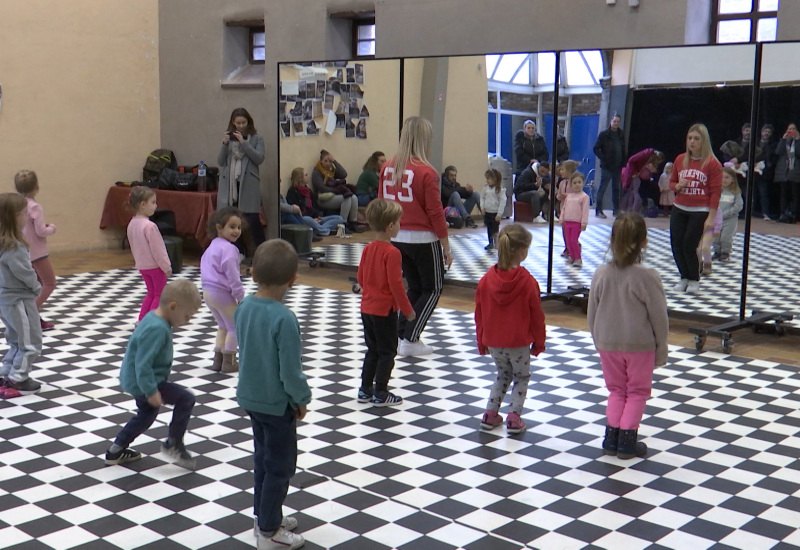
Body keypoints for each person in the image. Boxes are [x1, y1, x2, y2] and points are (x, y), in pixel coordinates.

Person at [236, 240, 311, 550]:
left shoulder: (243, 307)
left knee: (263, 461)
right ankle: (269, 530)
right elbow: (290, 371)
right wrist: (301, 398)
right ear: (293, 280)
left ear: (254, 275)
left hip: (250, 398)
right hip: (276, 403)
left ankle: (264, 515)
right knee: (281, 466)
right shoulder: (284, 318)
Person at [588, 212, 668, 460]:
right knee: (637, 392)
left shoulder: (601, 273)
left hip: (608, 343)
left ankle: (611, 438)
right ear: (644, 241)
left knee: (616, 390)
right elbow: (659, 318)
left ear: (611, 240)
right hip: (639, 345)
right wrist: (661, 348)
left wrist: (598, 340)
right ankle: (627, 441)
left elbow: (592, 312)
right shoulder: (647, 276)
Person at [104, 279, 202, 469]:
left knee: (146, 415)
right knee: (185, 399)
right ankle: (174, 443)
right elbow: (143, 364)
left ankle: (116, 450)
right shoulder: (157, 329)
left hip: (138, 379)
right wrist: (150, 391)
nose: (187, 321)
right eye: (187, 316)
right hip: (145, 381)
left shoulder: (153, 318)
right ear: (173, 307)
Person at [379, 116, 452, 357]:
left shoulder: (387, 166)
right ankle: (411, 337)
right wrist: (446, 247)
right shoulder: (426, 171)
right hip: (423, 239)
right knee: (433, 288)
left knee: (415, 287)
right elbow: (435, 212)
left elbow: (381, 203)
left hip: (397, 237)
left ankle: (402, 334)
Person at [475, 223, 545, 435]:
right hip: (518, 342)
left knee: (502, 374)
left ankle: (490, 413)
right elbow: (537, 316)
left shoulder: (486, 281)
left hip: (494, 341)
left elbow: (479, 314)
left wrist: (481, 340)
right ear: (523, 251)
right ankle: (514, 417)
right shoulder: (527, 282)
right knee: (521, 377)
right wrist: (539, 342)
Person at [356, 199, 415, 407]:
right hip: (384, 310)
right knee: (387, 351)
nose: (400, 225)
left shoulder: (368, 249)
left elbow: (361, 279)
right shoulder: (392, 253)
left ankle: (365, 389)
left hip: (367, 308)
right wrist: (407, 311)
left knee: (372, 349)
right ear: (390, 226)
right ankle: (381, 391)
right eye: (399, 222)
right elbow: (396, 285)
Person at [669, 123, 722, 294]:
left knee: (689, 244)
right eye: (690, 138)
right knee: (676, 244)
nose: (692, 142)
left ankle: (693, 279)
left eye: (696, 138)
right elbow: (671, 183)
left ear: (704, 141)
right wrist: (677, 186)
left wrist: (711, 217)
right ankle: (683, 276)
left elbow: (715, 192)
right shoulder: (680, 159)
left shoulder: (712, 164)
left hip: (700, 210)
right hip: (679, 207)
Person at [0, 193, 42, 396]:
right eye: (24, 213)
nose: (27, 217)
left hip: (5, 300)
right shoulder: (15, 246)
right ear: (14, 217)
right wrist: (36, 287)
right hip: (19, 300)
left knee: (16, 340)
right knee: (31, 341)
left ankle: (6, 373)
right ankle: (18, 379)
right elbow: (24, 273)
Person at [201, 206, 245, 374]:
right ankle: (229, 362)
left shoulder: (212, 246)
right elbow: (233, 276)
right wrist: (240, 297)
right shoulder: (230, 249)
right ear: (219, 228)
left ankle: (217, 359)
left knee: (223, 326)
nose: (236, 231)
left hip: (207, 291)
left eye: (239, 227)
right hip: (221, 293)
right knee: (234, 326)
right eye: (232, 227)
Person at [218, 107, 266, 255]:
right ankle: (236, 252)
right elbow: (221, 161)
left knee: (252, 221)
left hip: (248, 185)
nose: (240, 126)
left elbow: (259, 158)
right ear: (233, 122)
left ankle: (262, 252)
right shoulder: (229, 139)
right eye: (237, 123)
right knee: (233, 220)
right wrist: (224, 144)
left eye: (243, 123)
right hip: (231, 185)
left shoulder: (256, 138)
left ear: (248, 122)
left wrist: (244, 143)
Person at [14, 170, 56, 331]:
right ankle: (30, 312)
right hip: (38, 252)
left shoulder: (16, 204)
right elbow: (40, 231)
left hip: (23, 250)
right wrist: (51, 228)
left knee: (33, 286)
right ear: (36, 187)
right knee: (49, 282)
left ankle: (34, 317)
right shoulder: (35, 206)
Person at [127, 187, 172, 321]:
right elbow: (158, 250)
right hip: (155, 266)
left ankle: (142, 320)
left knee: (151, 294)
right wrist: (166, 267)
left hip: (142, 266)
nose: (156, 206)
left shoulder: (132, 224)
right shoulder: (149, 226)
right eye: (153, 202)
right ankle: (152, 321)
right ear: (143, 204)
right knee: (159, 295)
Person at [312, 149, 361, 233]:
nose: (328, 163)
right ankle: (342, 224)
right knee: (346, 198)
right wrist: (337, 190)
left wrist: (334, 162)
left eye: (329, 161)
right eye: (325, 161)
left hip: (334, 195)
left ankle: (353, 222)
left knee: (353, 197)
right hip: (323, 198)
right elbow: (322, 188)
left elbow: (343, 174)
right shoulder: (317, 172)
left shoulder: (331, 170)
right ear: (320, 161)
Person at [285, 168, 344, 238]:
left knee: (339, 218)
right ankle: (324, 231)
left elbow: (315, 206)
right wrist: (312, 219)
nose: (308, 177)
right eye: (306, 175)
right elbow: (297, 212)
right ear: (300, 178)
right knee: (307, 219)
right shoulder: (292, 192)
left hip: (315, 219)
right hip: (304, 219)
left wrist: (318, 216)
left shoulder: (309, 191)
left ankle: (318, 230)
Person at [593, 113, 626, 218]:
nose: (616, 123)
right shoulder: (604, 134)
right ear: (610, 122)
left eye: (618, 121)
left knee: (616, 188)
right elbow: (596, 148)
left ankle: (616, 210)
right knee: (602, 187)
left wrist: (624, 161)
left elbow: (623, 148)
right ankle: (598, 210)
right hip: (607, 166)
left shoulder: (621, 134)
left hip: (618, 166)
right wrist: (604, 158)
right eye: (614, 121)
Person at [712, 166, 743, 262]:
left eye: (727, 177)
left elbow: (739, 205)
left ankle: (725, 252)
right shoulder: (716, 190)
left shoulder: (735, 192)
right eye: (722, 177)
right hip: (716, 219)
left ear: (732, 179)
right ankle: (717, 251)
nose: (724, 180)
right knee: (716, 237)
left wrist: (728, 213)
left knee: (726, 237)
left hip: (730, 220)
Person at [620, 149, 664, 215]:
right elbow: (631, 160)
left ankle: (631, 211)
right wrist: (633, 172)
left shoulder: (648, 159)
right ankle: (631, 210)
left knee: (632, 192)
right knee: (632, 193)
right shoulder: (646, 154)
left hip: (635, 175)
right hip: (631, 174)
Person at [560, 172, 590, 268]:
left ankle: (578, 258)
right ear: (571, 184)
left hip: (577, 222)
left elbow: (585, 211)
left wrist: (584, 222)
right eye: (574, 183)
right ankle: (572, 257)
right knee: (568, 240)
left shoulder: (584, 197)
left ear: (583, 183)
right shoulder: (569, 196)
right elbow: (564, 208)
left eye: (579, 182)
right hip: (567, 221)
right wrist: (562, 218)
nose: (577, 185)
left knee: (573, 240)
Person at [775, 123, 800, 224]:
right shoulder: (785, 141)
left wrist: (798, 140)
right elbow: (778, 152)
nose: (791, 131)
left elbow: (799, 153)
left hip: (795, 171)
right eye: (789, 129)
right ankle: (782, 214)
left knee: (795, 195)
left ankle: (793, 214)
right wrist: (783, 139)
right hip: (784, 172)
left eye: (793, 129)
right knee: (783, 194)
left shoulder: (798, 141)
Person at [555, 160, 580, 257]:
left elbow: (578, 195)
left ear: (569, 170)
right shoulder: (561, 183)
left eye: (562, 169)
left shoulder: (575, 182)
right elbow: (558, 195)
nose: (560, 171)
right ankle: (568, 247)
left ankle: (574, 246)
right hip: (563, 210)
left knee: (572, 230)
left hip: (573, 210)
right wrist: (559, 196)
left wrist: (568, 196)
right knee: (564, 230)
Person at [754, 124, 778, 220]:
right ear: (761, 132)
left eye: (768, 131)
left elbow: (772, 158)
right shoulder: (755, 143)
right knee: (750, 194)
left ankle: (765, 213)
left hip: (764, 174)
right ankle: (750, 212)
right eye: (765, 131)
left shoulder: (773, 145)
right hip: (752, 172)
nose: (766, 133)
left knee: (764, 194)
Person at [480, 169, 507, 251]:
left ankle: (497, 242)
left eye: (489, 178)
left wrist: (499, 214)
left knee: (495, 228)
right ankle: (490, 242)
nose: (487, 180)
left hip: (495, 213)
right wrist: (482, 207)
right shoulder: (485, 188)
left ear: (495, 179)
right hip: (488, 212)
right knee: (489, 228)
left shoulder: (500, 190)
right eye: (487, 178)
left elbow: (503, 201)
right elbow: (482, 197)